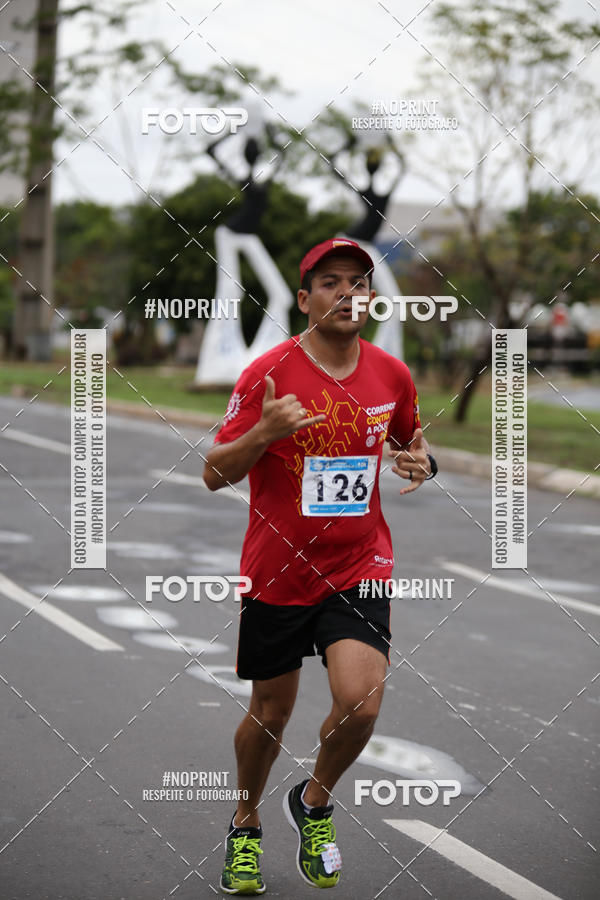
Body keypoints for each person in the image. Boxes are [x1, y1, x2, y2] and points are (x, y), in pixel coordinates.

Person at [203, 238, 437, 895]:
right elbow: (213, 473)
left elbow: (411, 441)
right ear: (304, 301)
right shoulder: (266, 375)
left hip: (359, 564)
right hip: (278, 570)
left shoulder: (392, 375)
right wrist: (262, 434)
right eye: (330, 283)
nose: (347, 293)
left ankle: (313, 803)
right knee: (270, 714)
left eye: (358, 282)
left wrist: (425, 462)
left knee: (360, 704)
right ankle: (246, 821)